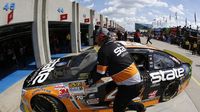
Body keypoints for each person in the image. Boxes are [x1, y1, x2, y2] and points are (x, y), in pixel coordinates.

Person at [94, 27, 146, 112]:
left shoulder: (103, 50)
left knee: (117, 108)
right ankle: (140, 107)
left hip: (130, 85)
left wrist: (91, 81)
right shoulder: (117, 44)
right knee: (121, 99)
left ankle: (140, 107)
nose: (95, 40)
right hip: (134, 80)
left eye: (96, 37)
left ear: (101, 37)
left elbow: (100, 73)